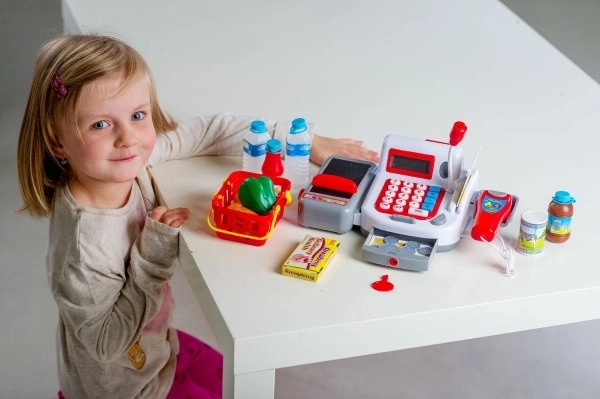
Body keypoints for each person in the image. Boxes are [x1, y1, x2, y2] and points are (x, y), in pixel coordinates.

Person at [16, 34, 379, 399]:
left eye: (138, 115)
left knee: (236, 376)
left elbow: (208, 131)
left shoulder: (124, 162)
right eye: (100, 125)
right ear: (57, 140)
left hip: (157, 350)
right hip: (128, 390)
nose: (129, 138)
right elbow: (106, 343)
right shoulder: (85, 246)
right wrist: (153, 253)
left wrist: (303, 140)